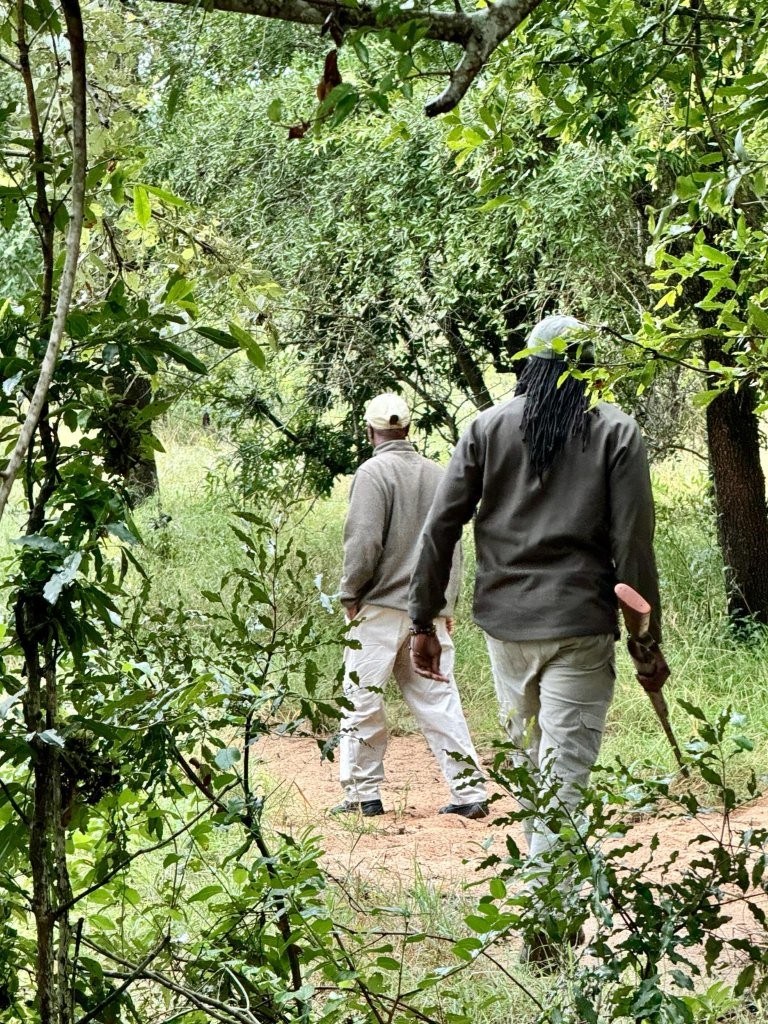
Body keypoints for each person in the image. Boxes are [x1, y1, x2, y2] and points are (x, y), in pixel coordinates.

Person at [408, 316, 667, 961]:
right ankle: (548, 935)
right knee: (564, 781)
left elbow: (440, 528)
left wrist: (423, 619)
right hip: (580, 626)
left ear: (527, 365)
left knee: (534, 773)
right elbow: (633, 547)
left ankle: (546, 921)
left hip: (507, 628)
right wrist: (645, 642)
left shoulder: (487, 428)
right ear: (587, 364)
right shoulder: (615, 431)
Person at [333, 392, 488, 819]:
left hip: (379, 607)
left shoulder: (372, 473)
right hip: (429, 611)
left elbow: (363, 544)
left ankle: (363, 794)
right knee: (439, 698)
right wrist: (446, 604)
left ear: (369, 430)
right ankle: (470, 791)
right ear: (409, 430)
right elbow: (452, 546)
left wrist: (350, 594)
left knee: (361, 697)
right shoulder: (439, 475)